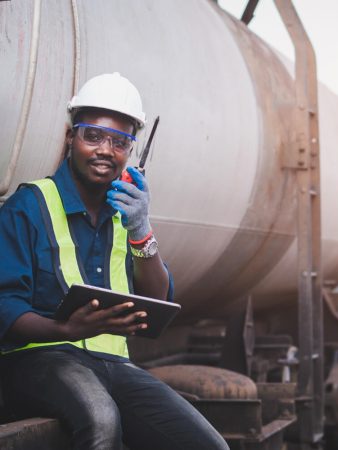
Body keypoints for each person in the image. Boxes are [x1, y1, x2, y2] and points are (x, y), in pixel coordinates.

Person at [0, 73, 229, 450]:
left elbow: (159, 297)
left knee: (209, 445)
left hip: (114, 367)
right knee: (102, 421)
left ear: (130, 151)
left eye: (120, 141)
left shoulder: (127, 214)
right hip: (39, 361)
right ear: (70, 137)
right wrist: (64, 330)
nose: (106, 149)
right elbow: (5, 308)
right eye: (93, 136)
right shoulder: (30, 205)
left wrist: (142, 231)